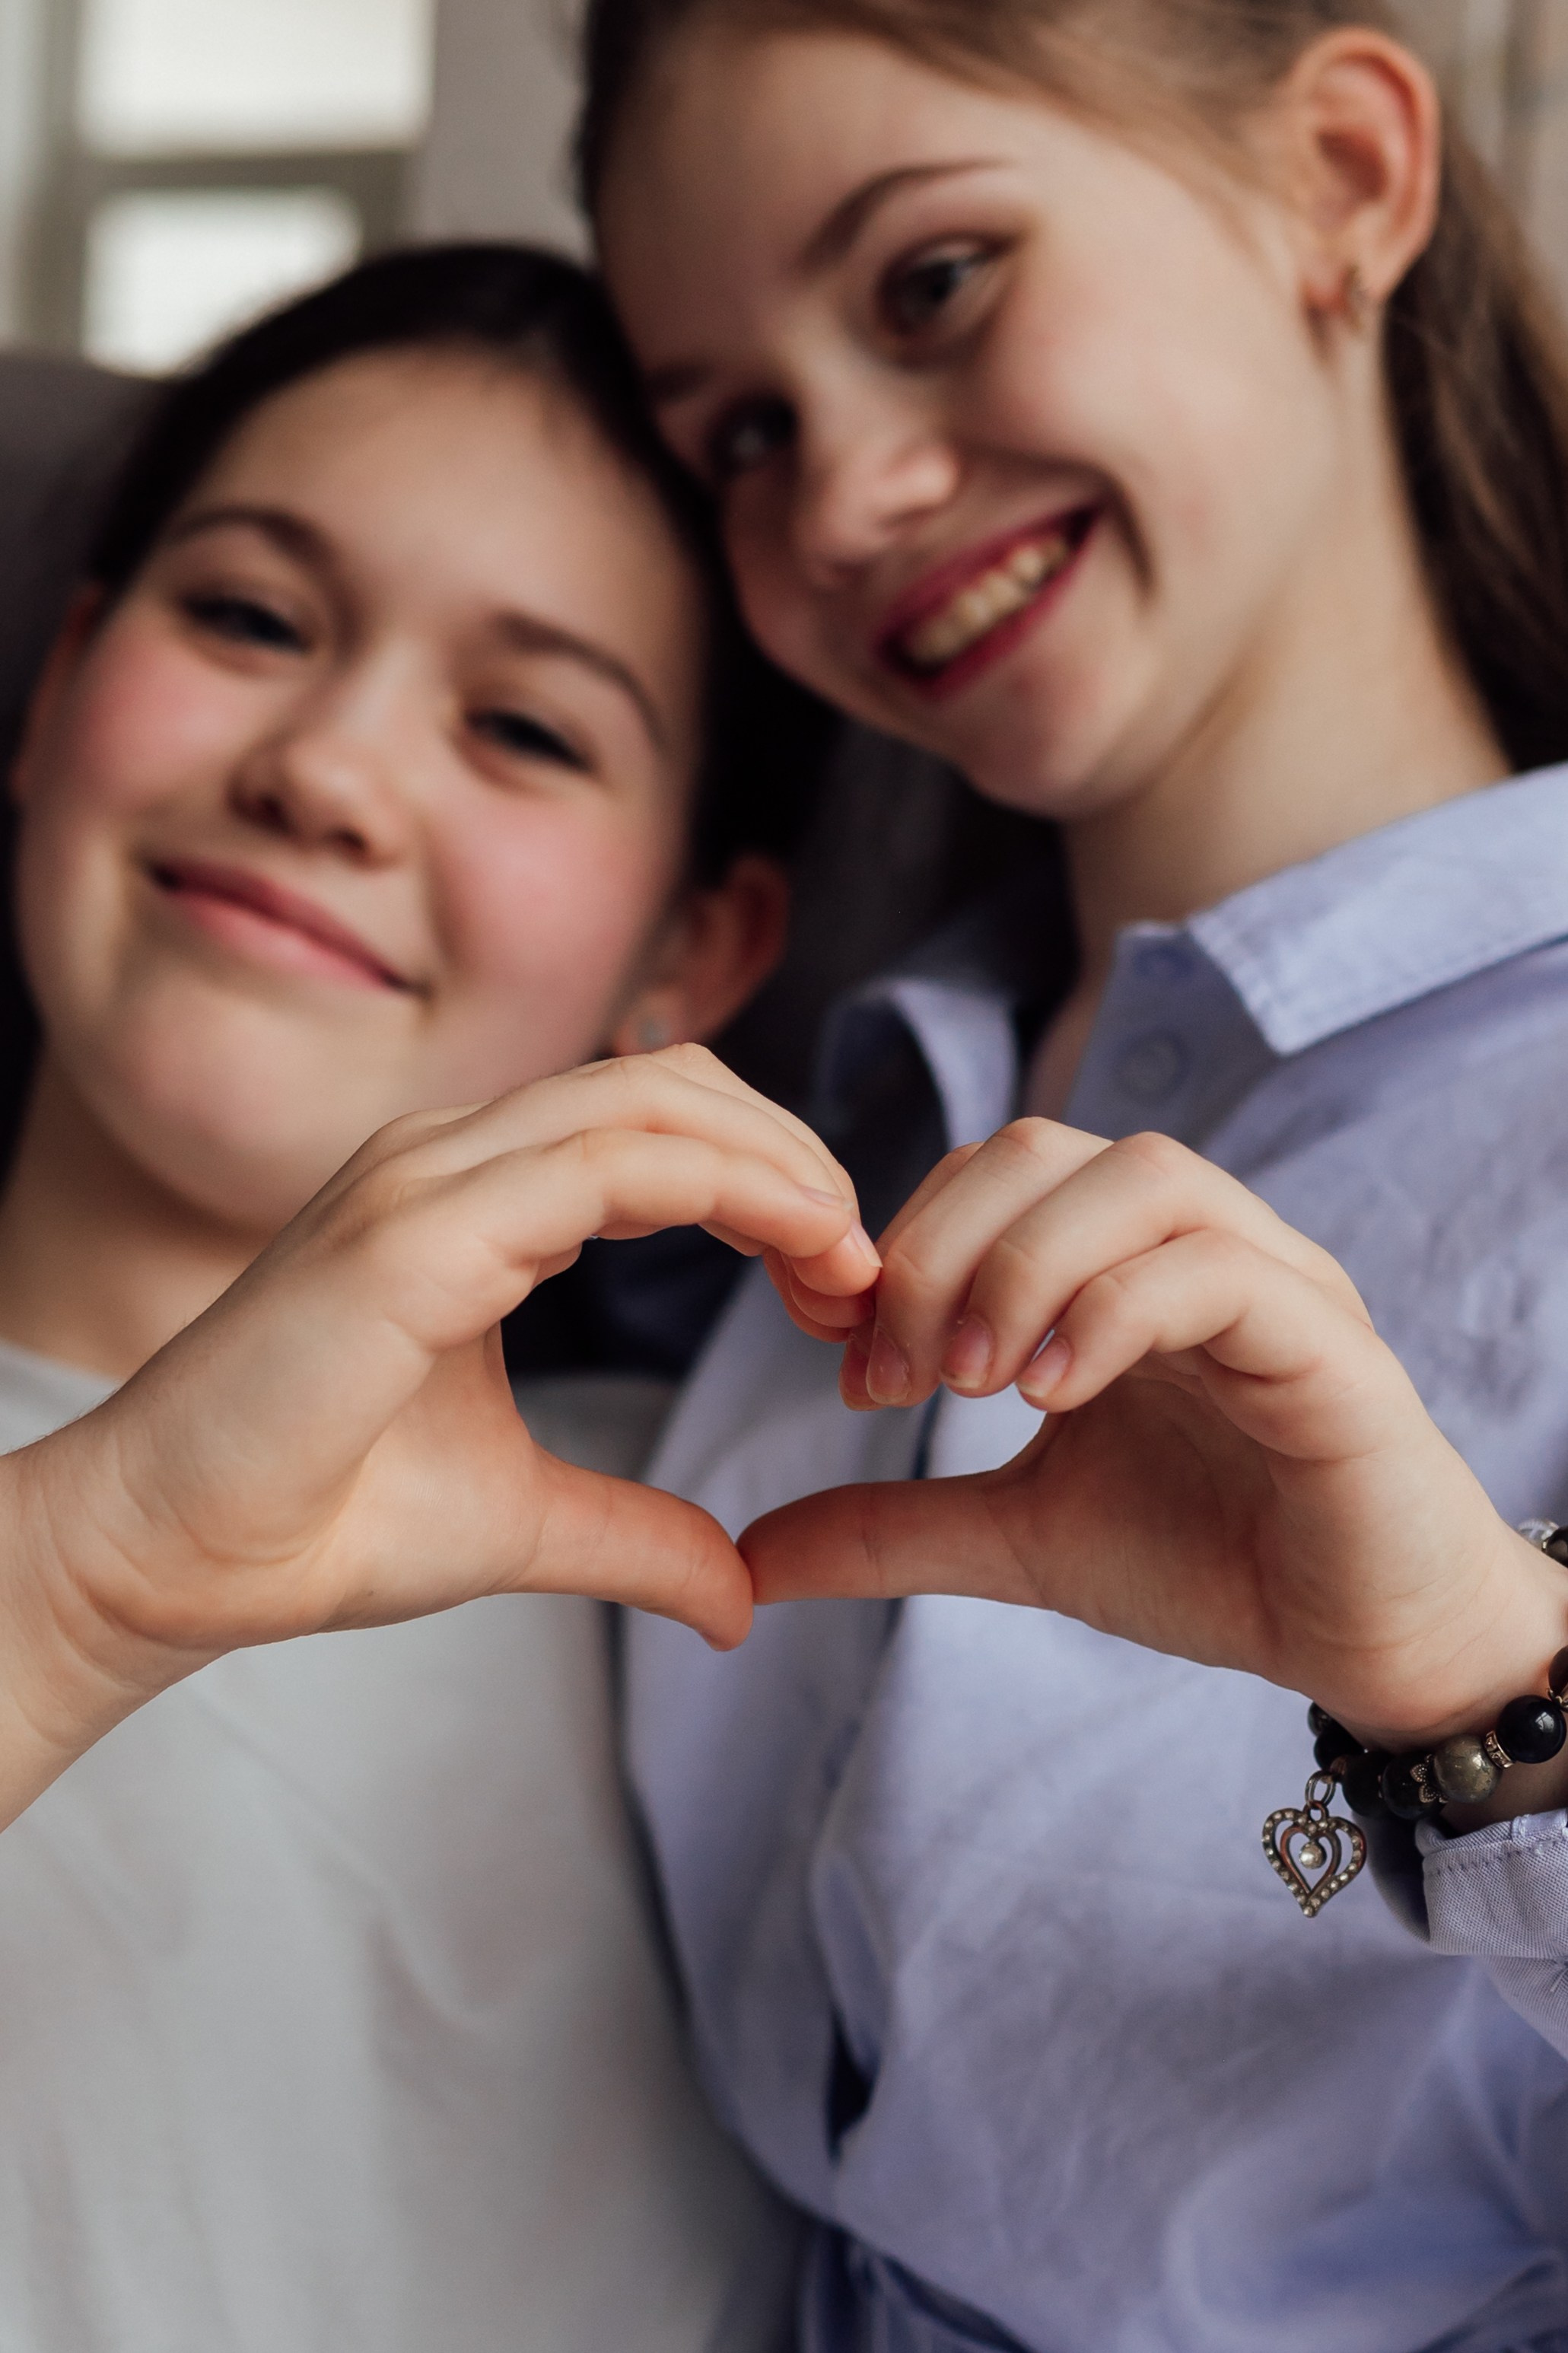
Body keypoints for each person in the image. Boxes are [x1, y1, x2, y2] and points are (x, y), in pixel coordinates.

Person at [574, 2, 1568, 2345]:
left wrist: (1482, 1695)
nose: (835, 504)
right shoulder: (798, 1146)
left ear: (1342, 170)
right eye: (737, 430)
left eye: (930, 282)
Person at [0, 238, 886, 2352]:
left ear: (695, 954)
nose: (329, 768)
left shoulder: (763, 1558)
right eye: (247, 614)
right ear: (56, 690)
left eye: (521, 724)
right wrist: (84, 1575)